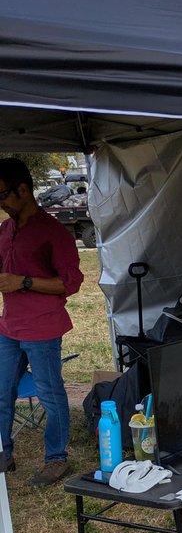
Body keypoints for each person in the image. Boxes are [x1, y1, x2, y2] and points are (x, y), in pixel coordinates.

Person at [0, 157, 84, 486]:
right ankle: (4, 452)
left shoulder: (53, 232)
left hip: (43, 329)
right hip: (8, 326)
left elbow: (71, 283)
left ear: (24, 189)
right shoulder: (5, 231)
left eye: (4, 195)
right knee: (2, 391)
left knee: (50, 394)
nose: (2, 203)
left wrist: (23, 282)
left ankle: (56, 458)